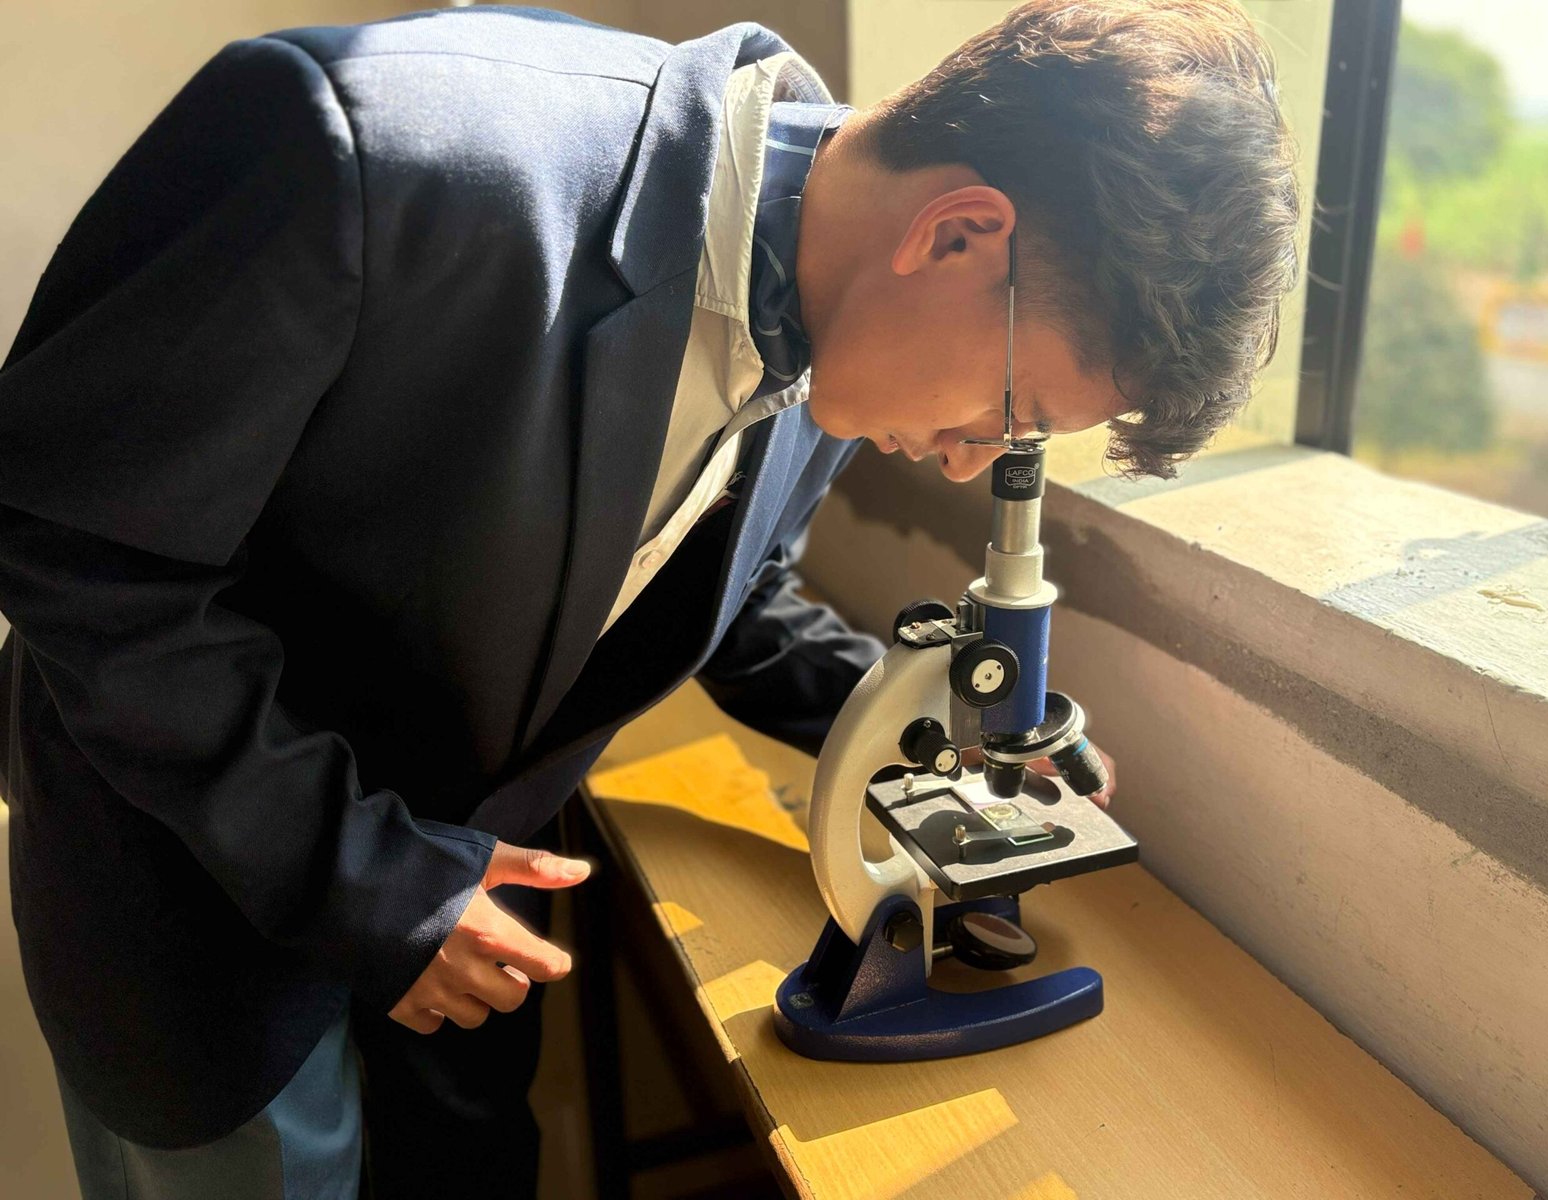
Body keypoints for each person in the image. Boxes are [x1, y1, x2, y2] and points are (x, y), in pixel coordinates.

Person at [0, 1, 1298, 1196]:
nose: (971, 459)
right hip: (203, 921)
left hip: (473, 941)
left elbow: (715, 592)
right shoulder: (367, 148)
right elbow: (85, 555)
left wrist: (944, 737)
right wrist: (371, 884)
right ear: (955, 235)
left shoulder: (847, 319)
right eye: (1011, 410)